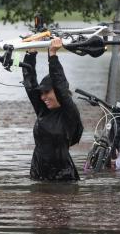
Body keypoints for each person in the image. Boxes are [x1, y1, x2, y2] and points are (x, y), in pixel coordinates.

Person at [22, 38, 83, 181]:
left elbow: (60, 84)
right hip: (38, 173)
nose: (43, 97)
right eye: (42, 93)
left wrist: (53, 55)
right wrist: (31, 53)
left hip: (63, 177)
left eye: (47, 92)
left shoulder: (69, 113)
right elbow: (29, 84)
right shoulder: (43, 110)